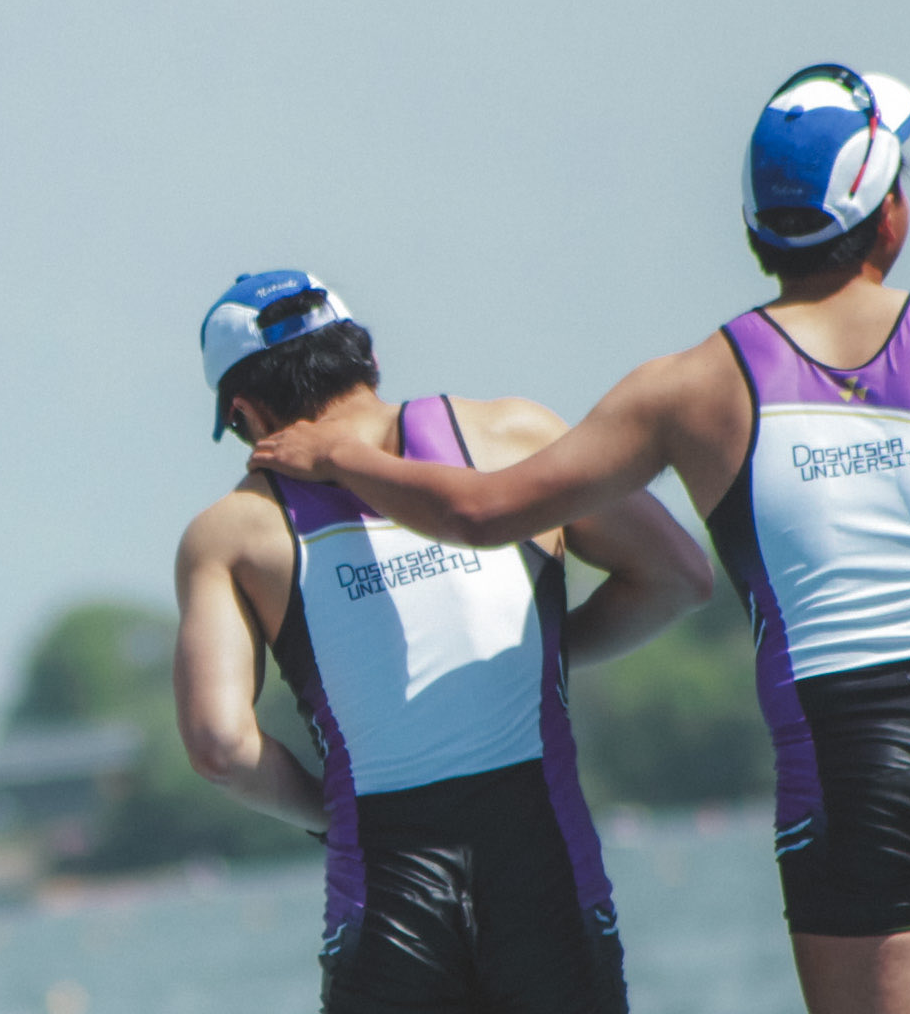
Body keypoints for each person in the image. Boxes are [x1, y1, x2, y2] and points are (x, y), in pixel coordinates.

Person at [249, 67, 910, 1014]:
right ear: (891, 217)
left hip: (848, 781)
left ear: (757, 231)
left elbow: (480, 511)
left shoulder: (689, 390)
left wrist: (340, 456)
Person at [174, 270, 712, 1014]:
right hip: (549, 879)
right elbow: (678, 576)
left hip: (385, 898)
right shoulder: (514, 436)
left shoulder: (230, 533)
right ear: (367, 359)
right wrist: (539, 658)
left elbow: (220, 748)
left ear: (246, 413)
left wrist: (333, 816)